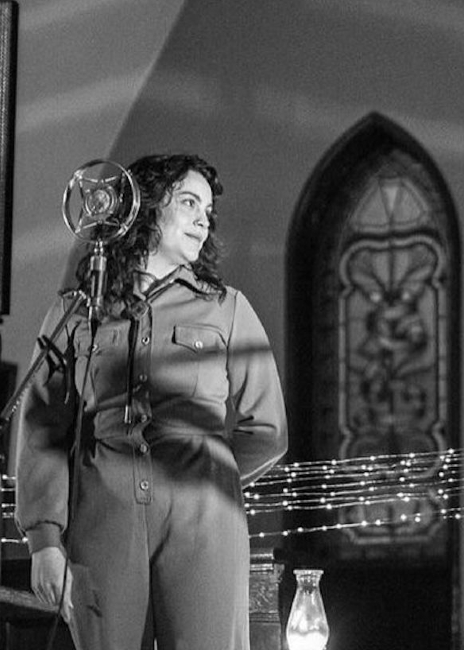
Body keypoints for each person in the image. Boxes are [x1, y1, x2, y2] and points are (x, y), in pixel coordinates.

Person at [16, 153, 288, 650]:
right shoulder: (75, 312)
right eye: (189, 203)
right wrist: (45, 542)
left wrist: (206, 473)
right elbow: (42, 430)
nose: (204, 220)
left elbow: (268, 431)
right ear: (143, 207)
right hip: (102, 523)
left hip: (205, 528)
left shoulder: (227, 308)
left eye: (208, 210)